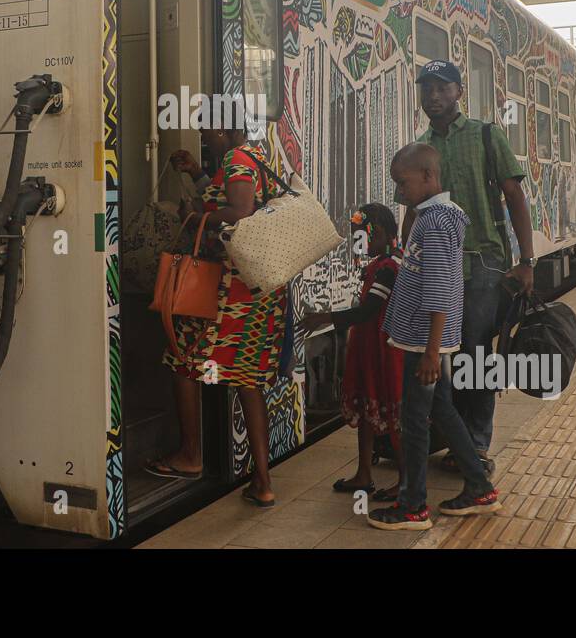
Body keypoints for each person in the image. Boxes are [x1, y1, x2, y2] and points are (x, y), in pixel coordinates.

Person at [149, 119, 287, 509]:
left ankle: (191, 455)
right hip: (258, 288)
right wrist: (197, 174)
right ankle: (262, 482)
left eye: (206, 130)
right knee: (247, 379)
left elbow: (240, 209)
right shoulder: (258, 155)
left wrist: (197, 219)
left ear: (225, 130)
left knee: (180, 359)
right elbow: (234, 195)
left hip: (230, 289)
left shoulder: (236, 157)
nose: (202, 137)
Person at [368, 143, 501, 530]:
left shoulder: (435, 223)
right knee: (442, 410)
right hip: (426, 340)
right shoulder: (432, 217)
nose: (398, 193)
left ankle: (412, 507)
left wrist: (430, 351)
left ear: (428, 177)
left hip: (423, 343)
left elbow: (441, 288)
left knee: (415, 420)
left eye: (403, 183)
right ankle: (478, 486)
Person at [412, 60, 534, 471]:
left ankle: (477, 445)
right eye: (426, 88)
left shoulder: (486, 135)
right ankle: (455, 438)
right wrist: (404, 257)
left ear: (459, 92)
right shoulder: (423, 147)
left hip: (484, 263)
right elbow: (415, 206)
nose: (433, 96)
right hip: (440, 265)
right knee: (442, 354)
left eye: (442, 88)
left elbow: (514, 195)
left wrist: (527, 261)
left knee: (476, 353)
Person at [303, 204, 404, 503]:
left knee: (392, 414)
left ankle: (406, 480)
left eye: (363, 238)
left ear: (383, 234)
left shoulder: (389, 267)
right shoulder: (382, 262)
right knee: (366, 410)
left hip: (382, 353)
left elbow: (370, 310)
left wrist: (326, 318)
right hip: (369, 349)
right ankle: (363, 473)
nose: (360, 245)